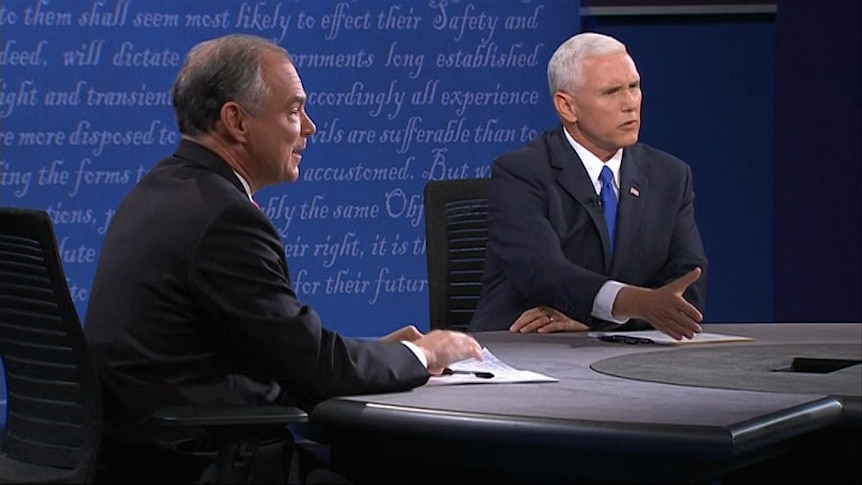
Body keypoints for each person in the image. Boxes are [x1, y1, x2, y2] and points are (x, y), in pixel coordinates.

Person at [84, 33, 482, 482]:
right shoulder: (223, 219)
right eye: (293, 110)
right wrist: (422, 354)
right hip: (202, 463)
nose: (309, 127)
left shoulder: (160, 190)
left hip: (140, 454)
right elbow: (311, 368)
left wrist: (371, 355)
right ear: (236, 120)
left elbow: (277, 344)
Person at [469, 32, 708, 340]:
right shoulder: (521, 172)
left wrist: (605, 321)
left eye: (634, 87)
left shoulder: (670, 175)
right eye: (611, 92)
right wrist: (633, 304)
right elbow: (543, 273)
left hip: (620, 354)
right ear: (567, 107)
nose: (630, 104)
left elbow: (688, 287)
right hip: (526, 346)